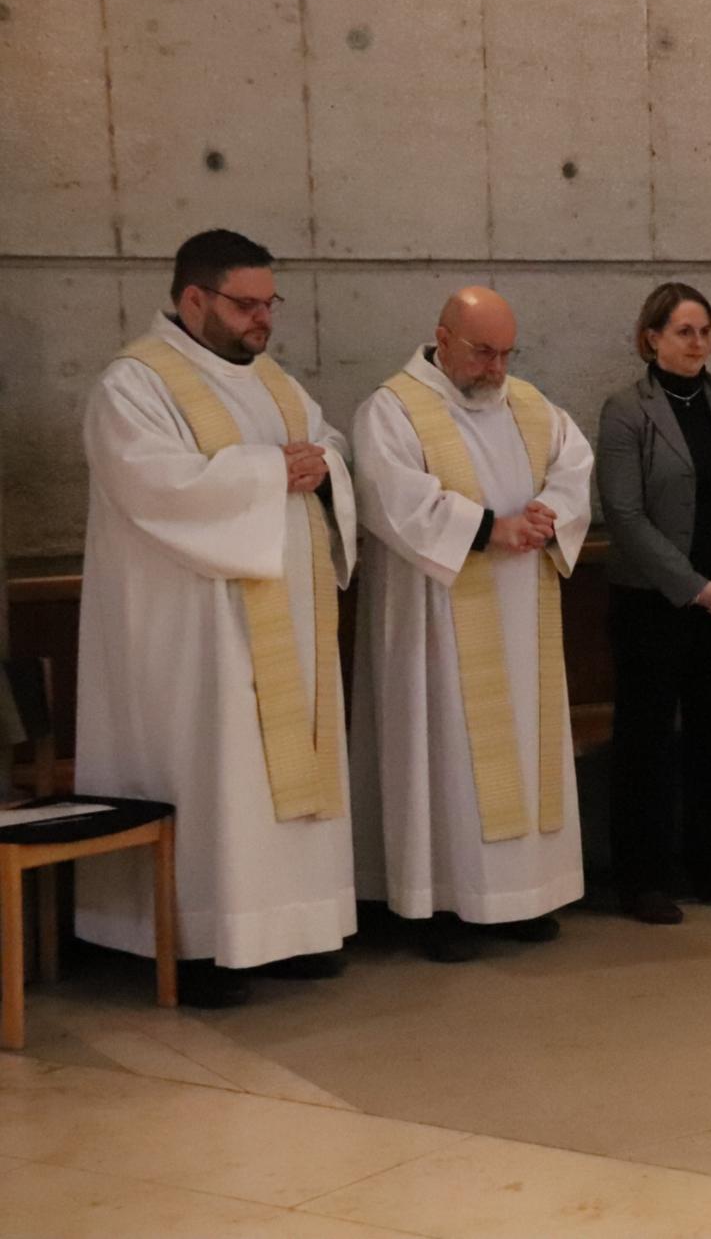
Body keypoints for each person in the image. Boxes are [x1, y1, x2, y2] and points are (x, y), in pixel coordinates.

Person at [73, 229, 356, 1007]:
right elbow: (155, 483)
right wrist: (273, 470)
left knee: (283, 774)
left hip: (287, 623)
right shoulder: (133, 385)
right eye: (245, 304)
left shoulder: (277, 384)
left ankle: (292, 929)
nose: (262, 320)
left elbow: (323, 442)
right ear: (193, 298)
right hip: (193, 633)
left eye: (270, 304)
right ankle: (201, 943)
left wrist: (320, 465)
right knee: (215, 772)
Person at [349, 287, 595, 962]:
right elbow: (390, 498)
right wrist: (488, 529)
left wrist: (548, 513)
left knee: (523, 744)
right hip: (438, 623)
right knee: (446, 754)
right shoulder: (393, 410)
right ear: (443, 337)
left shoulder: (531, 406)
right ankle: (441, 905)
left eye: (506, 353)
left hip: (525, 607)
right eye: (483, 352)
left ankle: (525, 896)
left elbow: (574, 465)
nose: (496, 368)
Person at [598, 283, 711, 921]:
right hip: (656, 603)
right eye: (683, 331)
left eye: (705, 331)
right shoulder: (626, 410)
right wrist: (692, 586)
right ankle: (643, 878)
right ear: (652, 337)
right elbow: (623, 512)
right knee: (647, 741)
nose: (697, 343)